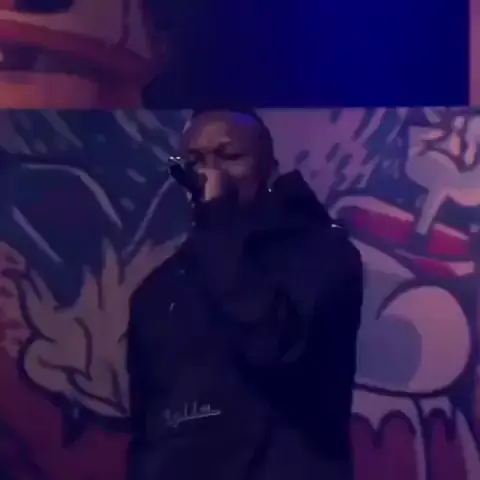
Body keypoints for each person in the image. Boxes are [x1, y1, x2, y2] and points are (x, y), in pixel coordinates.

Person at [127, 108, 363, 480]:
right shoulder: (158, 290)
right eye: (194, 161)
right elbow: (150, 421)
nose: (210, 174)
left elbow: (272, 343)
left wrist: (218, 221)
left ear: (270, 170)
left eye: (229, 156)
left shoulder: (322, 255)